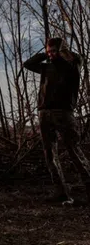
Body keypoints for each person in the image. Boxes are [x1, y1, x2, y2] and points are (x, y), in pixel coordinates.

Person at [23, 37, 90, 203]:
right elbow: (28, 64)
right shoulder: (47, 67)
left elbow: (72, 61)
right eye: (48, 52)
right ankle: (61, 193)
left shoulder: (72, 65)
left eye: (53, 51)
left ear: (62, 50)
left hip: (64, 113)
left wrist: (60, 52)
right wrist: (45, 55)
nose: (51, 55)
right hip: (45, 113)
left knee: (74, 151)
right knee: (50, 154)